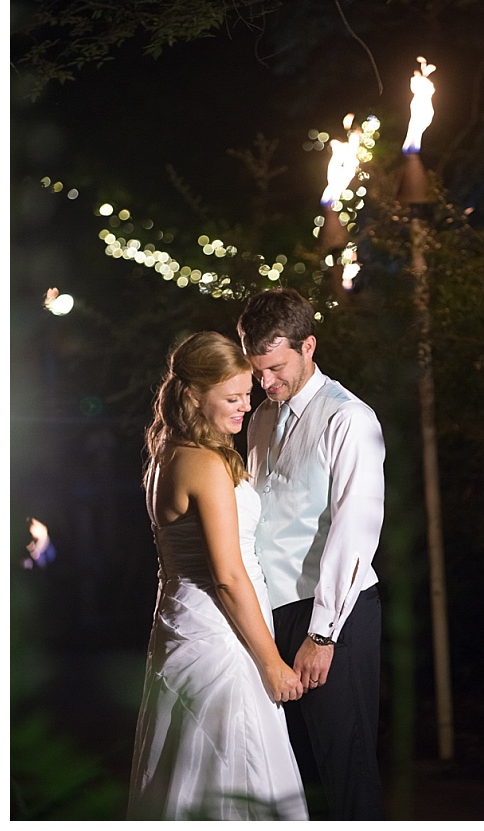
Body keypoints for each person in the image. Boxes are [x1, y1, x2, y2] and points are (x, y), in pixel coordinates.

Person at [128, 331, 308, 820]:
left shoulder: (168, 456)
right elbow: (227, 576)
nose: (244, 408)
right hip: (222, 641)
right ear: (193, 396)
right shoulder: (205, 464)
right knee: (238, 769)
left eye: (246, 395)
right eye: (231, 398)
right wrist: (272, 663)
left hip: (181, 629)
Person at [237, 287, 386, 819]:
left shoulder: (350, 419)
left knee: (345, 768)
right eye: (257, 371)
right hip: (270, 614)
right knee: (291, 772)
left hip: (331, 616)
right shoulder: (259, 421)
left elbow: (355, 532)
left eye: (275, 368)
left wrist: (322, 635)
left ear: (308, 346)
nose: (265, 383)